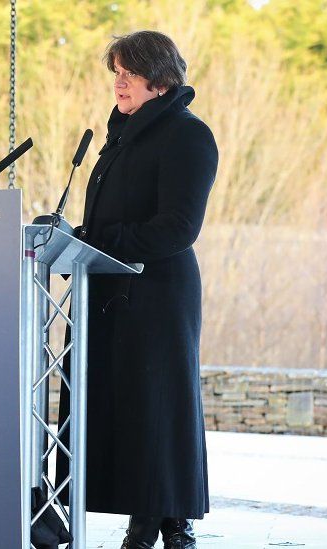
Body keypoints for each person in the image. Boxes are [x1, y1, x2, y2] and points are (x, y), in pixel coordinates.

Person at [60, 31, 218, 549]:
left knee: (156, 409)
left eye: (128, 72)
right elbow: (108, 218)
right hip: (109, 291)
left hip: (157, 296)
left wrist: (102, 241)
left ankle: (164, 523)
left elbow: (178, 227)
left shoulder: (187, 136)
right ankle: (151, 520)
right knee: (124, 410)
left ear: (159, 78)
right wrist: (77, 242)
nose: (118, 82)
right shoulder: (121, 136)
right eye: (115, 72)